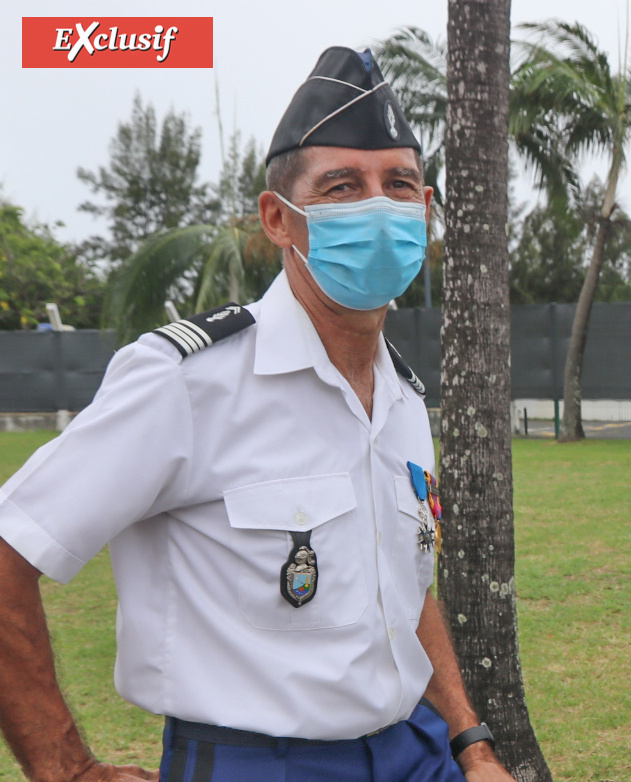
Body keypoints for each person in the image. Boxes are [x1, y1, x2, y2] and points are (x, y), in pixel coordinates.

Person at [0, 47, 514, 782]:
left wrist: (471, 740)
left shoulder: (401, 397)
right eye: (342, 187)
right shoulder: (190, 381)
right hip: (259, 763)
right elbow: (9, 546)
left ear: (425, 212)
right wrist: (66, 768)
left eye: (399, 184)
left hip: (417, 753)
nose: (378, 206)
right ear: (279, 218)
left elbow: (401, 590)